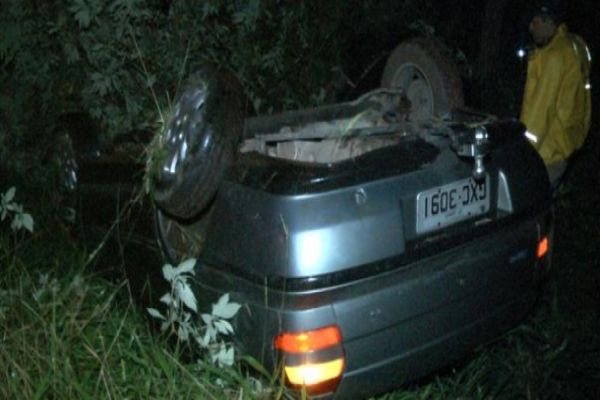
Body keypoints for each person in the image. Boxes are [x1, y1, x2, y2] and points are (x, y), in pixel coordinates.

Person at [520, 2, 592, 186]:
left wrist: (523, 153)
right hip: (564, 146)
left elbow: (540, 113)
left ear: (547, 21)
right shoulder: (574, 46)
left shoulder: (554, 57)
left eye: (534, 22)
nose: (530, 28)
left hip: (546, 154)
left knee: (531, 205)